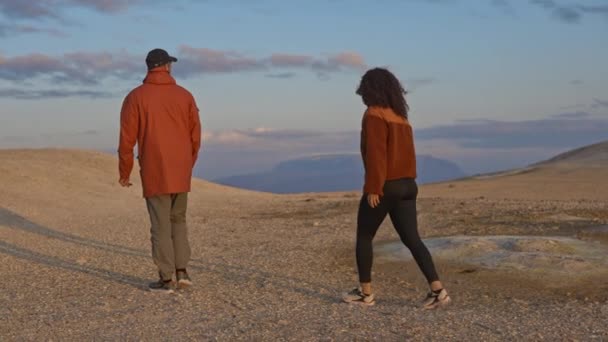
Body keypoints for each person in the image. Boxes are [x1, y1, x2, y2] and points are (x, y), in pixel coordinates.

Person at [342, 67, 450, 308]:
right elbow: (407, 154)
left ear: (369, 90)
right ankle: (438, 290)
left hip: (386, 185)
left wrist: (373, 187)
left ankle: (365, 294)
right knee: (413, 239)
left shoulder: (374, 114)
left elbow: (376, 154)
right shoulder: (401, 116)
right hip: (408, 185)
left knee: (364, 236)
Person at [118, 48, 202, 293]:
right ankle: (182, 272)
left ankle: (166, 279)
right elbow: (195, 136)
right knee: (179, 220)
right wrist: (186, 165)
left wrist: (125, 172)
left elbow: (126, 140)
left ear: (149, 67)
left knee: (160, 225)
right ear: (166, 66)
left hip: (154, 170)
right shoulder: (185, 95)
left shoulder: (135, 97)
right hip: (180, 170)